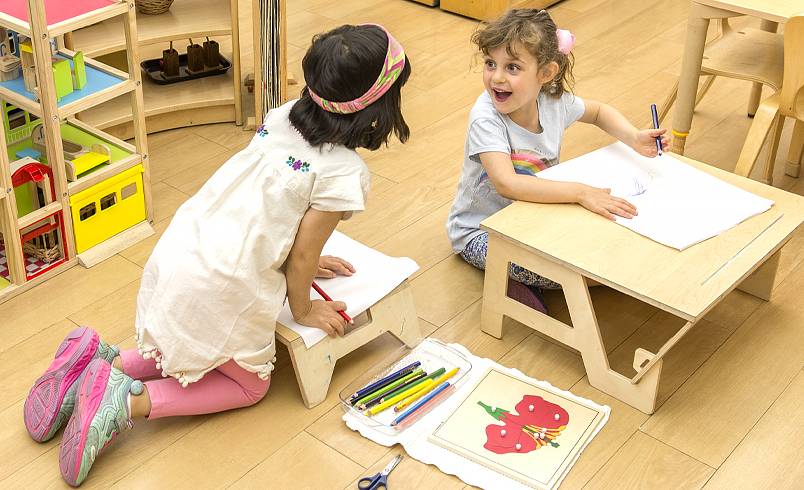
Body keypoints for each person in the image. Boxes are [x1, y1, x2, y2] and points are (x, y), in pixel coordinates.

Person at [23, 23, 411, 487]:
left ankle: (100, 362)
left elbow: (271, 207)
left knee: (193, 345)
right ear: (380, 105)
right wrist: (303, 307)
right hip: (223, 283)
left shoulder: (283, 115)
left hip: (186, 248)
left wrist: (303, 257)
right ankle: (126, 403)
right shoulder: (344, 172)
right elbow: (304, 250)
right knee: (249, 385)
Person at [446, 8, 669, 313]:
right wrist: (580, 192)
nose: (496, 77)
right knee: (590, 273)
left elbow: (599, 111)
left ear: (546, 74)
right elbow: (507, 184)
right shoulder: (486, 118)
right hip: (481, 232)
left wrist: (633, 138)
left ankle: (516, 278)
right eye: (490, 64)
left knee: (606, 247)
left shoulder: (552, 100)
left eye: (512, 67)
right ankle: (506, 279)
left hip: (536, 218)